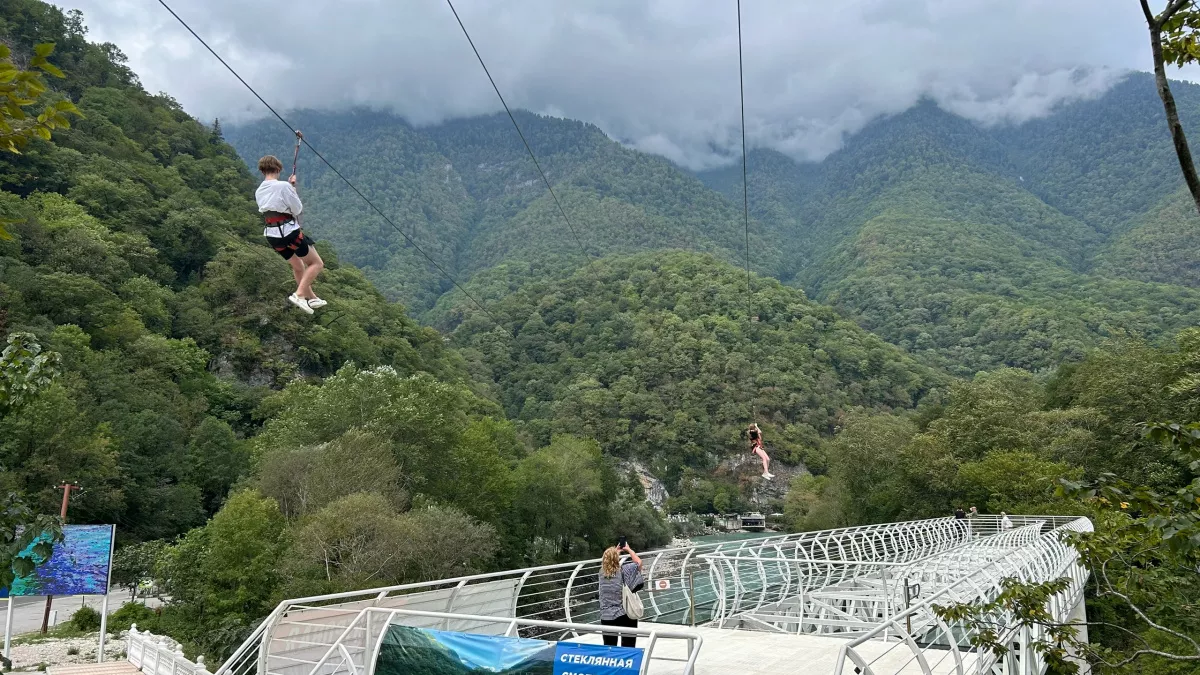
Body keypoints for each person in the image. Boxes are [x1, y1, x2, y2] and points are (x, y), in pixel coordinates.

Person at [256, 150, 325, 314]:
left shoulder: (259, 190)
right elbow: (297, 209)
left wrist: (289, 188)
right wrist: (292, 188)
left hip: (272, 236)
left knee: (298, 266)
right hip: (288, 232)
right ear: (278, 169)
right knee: (316, 263)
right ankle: (299, 294)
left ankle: (312, 298)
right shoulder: (283, 186)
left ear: (262, 171)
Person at [597, 543, 644, 647]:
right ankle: (627, 661)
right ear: (617, 558)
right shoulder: (624, 570)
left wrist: (615, 551)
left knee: (609, 646)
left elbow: (607, 560)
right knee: (628, 645)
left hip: (606, 616)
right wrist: (628, 549)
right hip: (623, 614)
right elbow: (639, 563)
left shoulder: (601, 573)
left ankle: (612, 662)